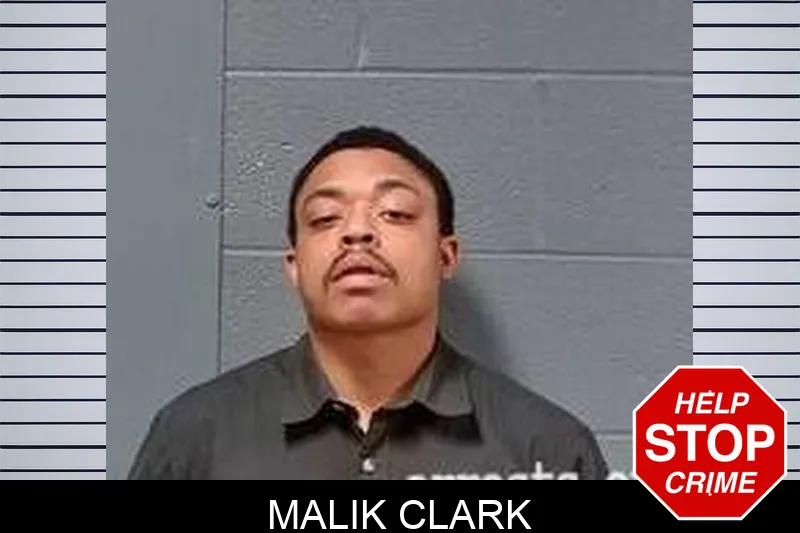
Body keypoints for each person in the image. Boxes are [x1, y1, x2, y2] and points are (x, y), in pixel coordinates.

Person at [127, 126, 609, 480]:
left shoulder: (547, 449)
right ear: (295, 265)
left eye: (394, 213)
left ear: (446, 256)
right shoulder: (196, 437)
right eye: (325, 217)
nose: (357, 231)